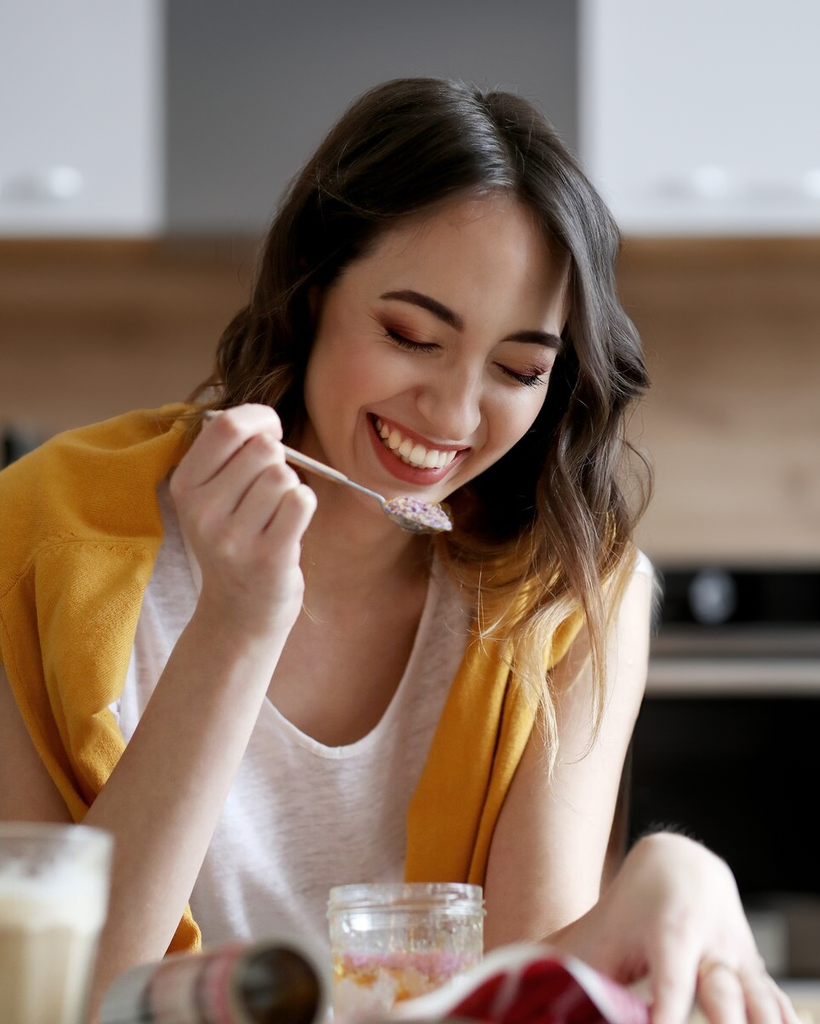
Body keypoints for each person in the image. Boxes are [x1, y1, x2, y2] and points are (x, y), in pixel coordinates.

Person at [0, 78, 797, 1024]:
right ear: (311, 291)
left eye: (519, 369)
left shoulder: (574, 594)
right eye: (411, 335)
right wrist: (236, 625)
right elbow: (57, 1003)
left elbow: (520, 999)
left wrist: (680, 873)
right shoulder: (40, 538)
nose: (455, 416)